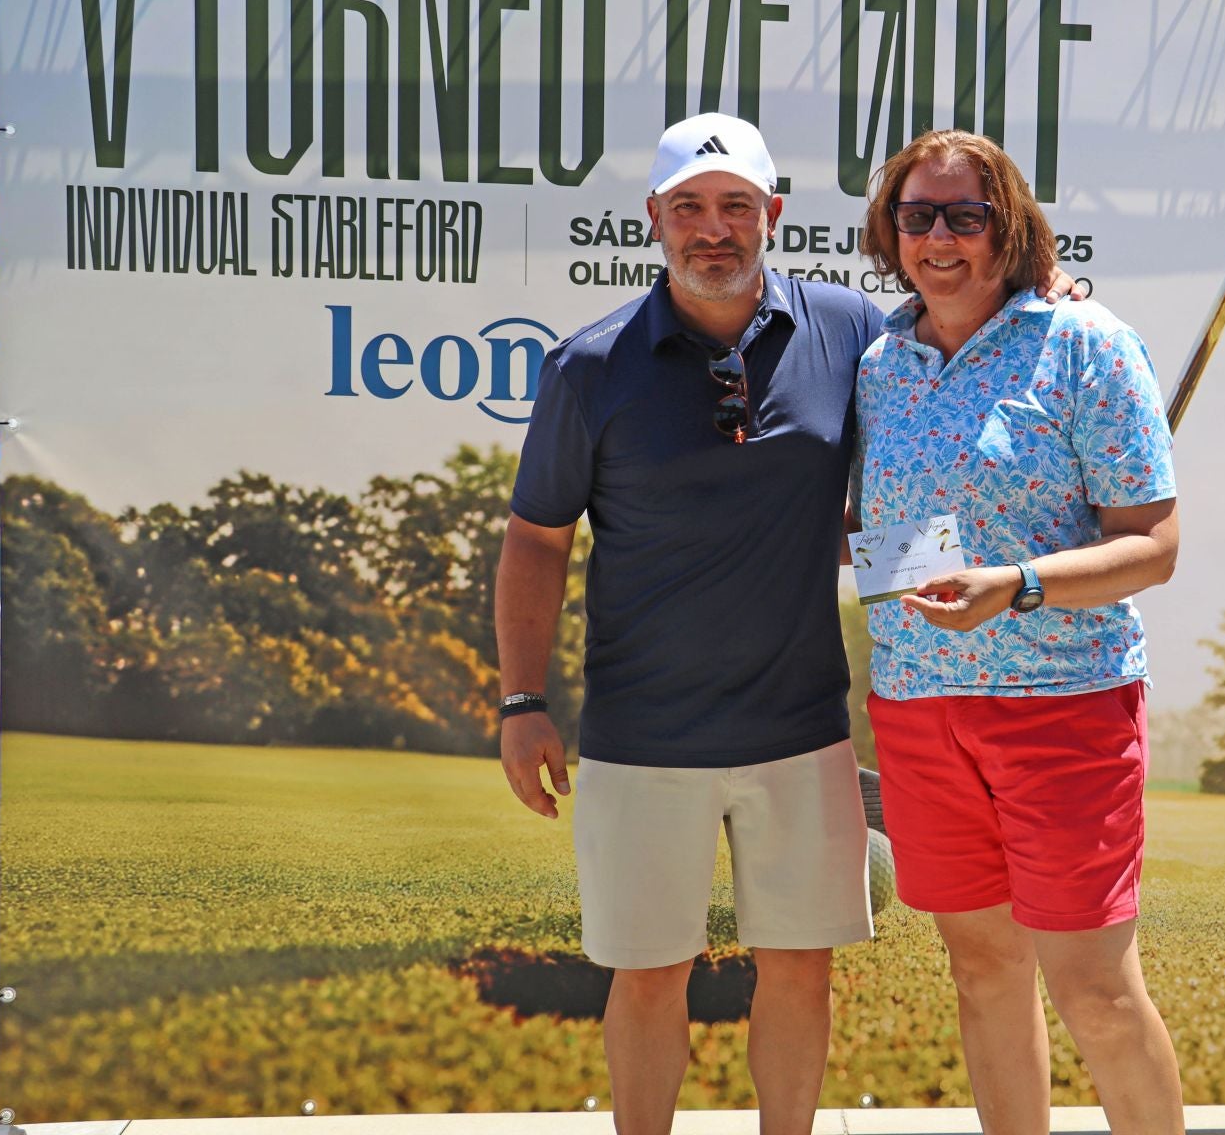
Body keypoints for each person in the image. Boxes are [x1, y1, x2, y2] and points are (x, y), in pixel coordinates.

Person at [493, 113, 885, 1135]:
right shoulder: (591, 366)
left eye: (737, 207)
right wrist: (522, 700)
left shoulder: (852, 330)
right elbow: (537, 538)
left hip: (802, 726)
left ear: (774, 216)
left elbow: (956, 376)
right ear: (655, 220)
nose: (715, 229)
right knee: (649, 974)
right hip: (640, 735)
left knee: (799, 970)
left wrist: (1053, 298)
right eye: (691, 209)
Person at [852, 129, 1185, 1135]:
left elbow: (1156, 544)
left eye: (967, 214)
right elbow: (888, 540)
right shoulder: (878, 362)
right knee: (983, 966)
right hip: (919, 709)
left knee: (1093, 985)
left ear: (1011, 226)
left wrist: (1020, 585)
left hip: (1064, 709)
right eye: (918, 216)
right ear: (890, 231)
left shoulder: (1085, 342)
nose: (940, 237)